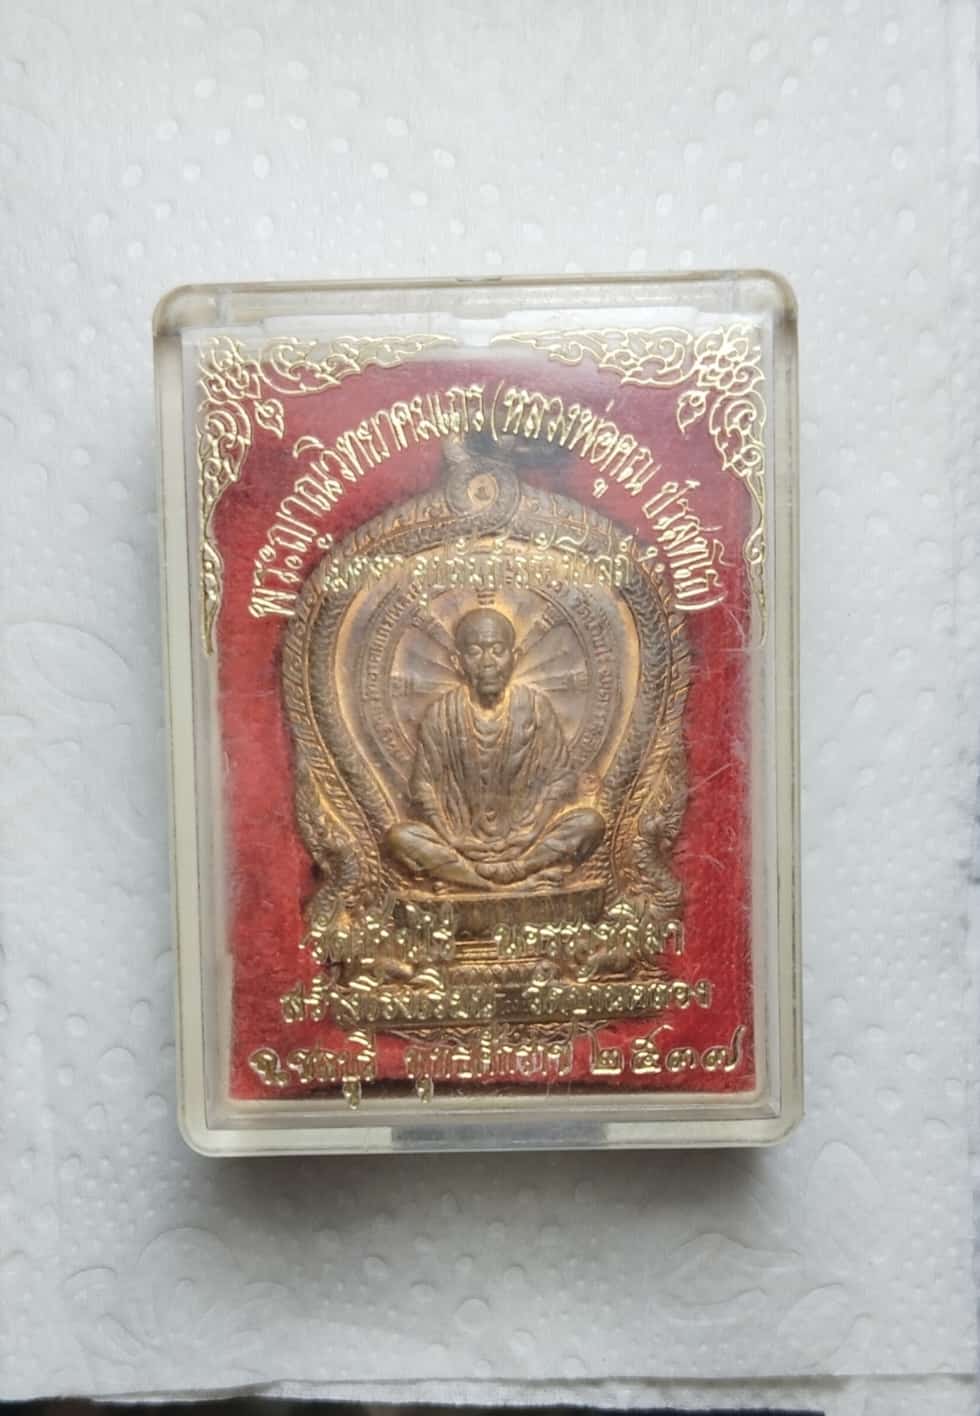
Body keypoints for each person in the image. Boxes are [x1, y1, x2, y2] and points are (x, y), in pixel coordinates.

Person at [384, 607, 604, 889]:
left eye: (497, 650)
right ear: (458, 662)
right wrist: (452, 838)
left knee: (589, 823)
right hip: (460, 847)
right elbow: (423, 786)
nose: (487, 662)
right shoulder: (441, 714)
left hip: (528, 844)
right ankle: (507, 884)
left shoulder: (536, 707)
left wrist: (532, 831)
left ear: (514, 658)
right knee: (400, 837)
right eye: (475, 652)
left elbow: (561, 780)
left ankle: (489, 877)